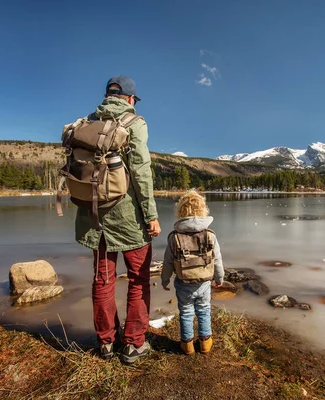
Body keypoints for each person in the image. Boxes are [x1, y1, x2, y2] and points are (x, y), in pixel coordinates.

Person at [74, 76, 161, 364]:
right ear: (129, 99)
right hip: (128, 218)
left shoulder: (88, 122)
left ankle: (106, 343)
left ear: (108, 95)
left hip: (93, 215)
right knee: (138, 278)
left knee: (103, 280)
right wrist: (151, 216)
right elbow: (141, 172)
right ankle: (134, 344)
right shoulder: (134, 123)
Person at [161, 190, 224, 355]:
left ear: (180, 211)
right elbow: (217, 259)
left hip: (183, 282)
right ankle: (205, 343)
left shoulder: (174, 237)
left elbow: (168, 261)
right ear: (203, 210)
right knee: (204, 309)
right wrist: (220, 277)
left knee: (186, 311)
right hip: (204, 282)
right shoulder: (210, 235)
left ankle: (187, 344)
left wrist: (165, 279)